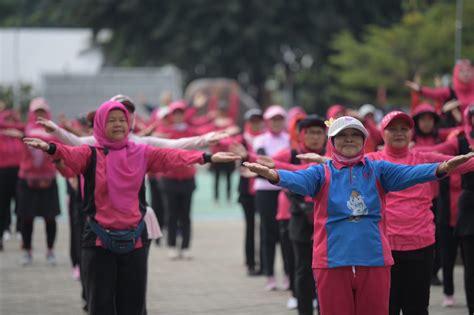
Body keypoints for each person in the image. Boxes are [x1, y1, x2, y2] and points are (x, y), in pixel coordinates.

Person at [23, 100, 239, 315]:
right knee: (100, 305)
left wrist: (207, 157)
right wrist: (51, 147)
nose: (118, 124)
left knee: (133, 306)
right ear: (100, 124)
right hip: (98, 241)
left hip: (134, 240)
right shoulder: (90, 153)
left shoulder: (142, 152)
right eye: (111, 120)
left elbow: (172, 155)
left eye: (122, 120)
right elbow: (70, 151)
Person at [243, 115, 474, 315]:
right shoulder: (321, 173)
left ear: (364, 140)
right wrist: (273, 175)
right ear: (332, 142)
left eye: (355, 134)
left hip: (374, 260)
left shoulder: (378, 169)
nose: (350, 139)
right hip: (331, 262)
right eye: (343, 136)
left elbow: (412, 173)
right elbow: (297, 179)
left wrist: (441, 168)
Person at [365, 111, 474, 315]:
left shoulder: (424, 158)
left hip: (420, 245)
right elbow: (340, 167)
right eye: (393, 129)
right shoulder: (371, 160)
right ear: (382, 132)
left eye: (404, 129)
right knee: (386, 307)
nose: (399, 133)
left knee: (416, 308)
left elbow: (463, 163)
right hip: (383, 247)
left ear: (411, 133)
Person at [16, 98, 61, 266]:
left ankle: (50, 250)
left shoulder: (55, 131)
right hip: (27, 180)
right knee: (26, 218)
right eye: (36, 112)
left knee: (50, 218)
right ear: (31, 113)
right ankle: (27, 251)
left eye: (42, 111)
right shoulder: (24, 129)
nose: (39, 115)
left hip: (48, 180)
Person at [252, 105, 290, 290]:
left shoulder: (289, 140)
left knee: (286, 234)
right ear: (267, 122)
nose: (276, 123)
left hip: (284, 189)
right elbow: (261, 164)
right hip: (264, 191)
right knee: (268, 233)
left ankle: (288, 274)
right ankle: (270, 275)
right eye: (273, 119)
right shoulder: (260, 140)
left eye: (279, 119)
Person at [0, 108, 24, 250]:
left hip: (18, 172)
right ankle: (4, 230)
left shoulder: (20, 134)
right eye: (7, 120)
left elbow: (24, 128)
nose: (9, 123)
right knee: (3, 203)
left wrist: (12, 130)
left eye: (12, 120)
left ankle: (20, 230)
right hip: (2, 172)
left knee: (20, 202)